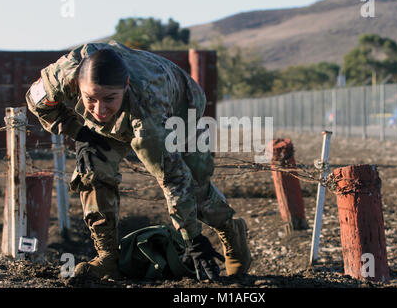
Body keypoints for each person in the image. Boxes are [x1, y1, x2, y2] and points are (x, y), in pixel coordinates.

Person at [26, 40, 251, 281]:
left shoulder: (148, 115)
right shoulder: (61, 78)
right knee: (92, 168)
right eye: (90, 99)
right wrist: (78, 131)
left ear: (125, 85)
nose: (99, 110)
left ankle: (230, 231)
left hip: (180, 106)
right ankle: (108, 258)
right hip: (124, 111)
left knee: (193, 183)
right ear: (77, 86)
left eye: (109, 99)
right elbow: (35, 101)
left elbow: (173, 179)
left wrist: (193, 239)